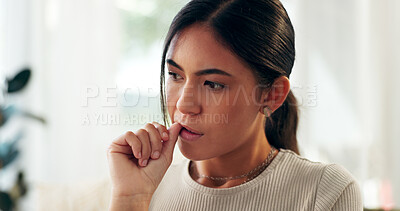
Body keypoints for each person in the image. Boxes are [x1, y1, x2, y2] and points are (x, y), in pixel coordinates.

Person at [107, 0, 363, 210]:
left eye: (213, 84)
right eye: (175, 75)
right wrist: (130, 200)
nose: (184, 105)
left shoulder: (326, 193)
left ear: (272, 95)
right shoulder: (149, 187)